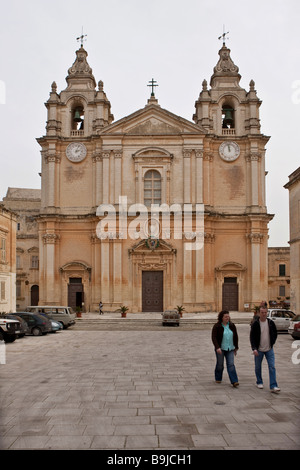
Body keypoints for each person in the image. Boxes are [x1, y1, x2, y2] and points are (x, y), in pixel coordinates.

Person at [250, 305, 280, 392]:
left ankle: (273, 385)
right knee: (258, 367)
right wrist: (254, 348)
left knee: (272, 367)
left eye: (265, 312)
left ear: (267, 313)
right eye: (262, 312)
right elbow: (252, 337)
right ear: (259, 313)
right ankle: (259, 381)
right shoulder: (255, 324)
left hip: (269, 349)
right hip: (259, 349)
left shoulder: (270, 323)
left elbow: (275, 333)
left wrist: (272, 343)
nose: (264, 314)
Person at [211, 310, 239, 387]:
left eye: (228, 316)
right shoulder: (217, 326)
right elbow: (214, 337)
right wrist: (217, 347)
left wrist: (236, 347)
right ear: (222, 318)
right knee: (220, 364)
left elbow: (235, 336)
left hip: (230, 348)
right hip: (220, 348)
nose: (227, 318)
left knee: (231, 364)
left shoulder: (232, 325)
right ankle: (218, 378)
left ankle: (234, 381)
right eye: (226, 316)